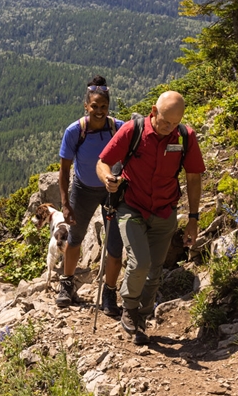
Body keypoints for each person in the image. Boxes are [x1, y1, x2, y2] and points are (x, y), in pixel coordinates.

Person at [96, 90, 204, 345]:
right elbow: (103, 162)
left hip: (165, 210)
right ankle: (129, 307)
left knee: (154, 271)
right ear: (154, 112)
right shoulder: (133, 132)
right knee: (139, 262)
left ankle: (140, 319)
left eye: (175, 123)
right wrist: (107, 179)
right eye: (166, 121)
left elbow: (193, 177)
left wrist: (193, 218)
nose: (170, 128)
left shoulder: (185, 137)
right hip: (131, 207)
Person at [55, 76, 124, 316]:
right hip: (83, 189)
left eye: (103, 106)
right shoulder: (75, 131)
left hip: (112, 191)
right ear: (86, 106)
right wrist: (65, 204)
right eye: (94, 106)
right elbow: (64, 170)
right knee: (75, 237)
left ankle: (109, 293)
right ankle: (66, 285)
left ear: (108, 107)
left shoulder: (119, 128)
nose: (99, 111)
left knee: (115, 244)